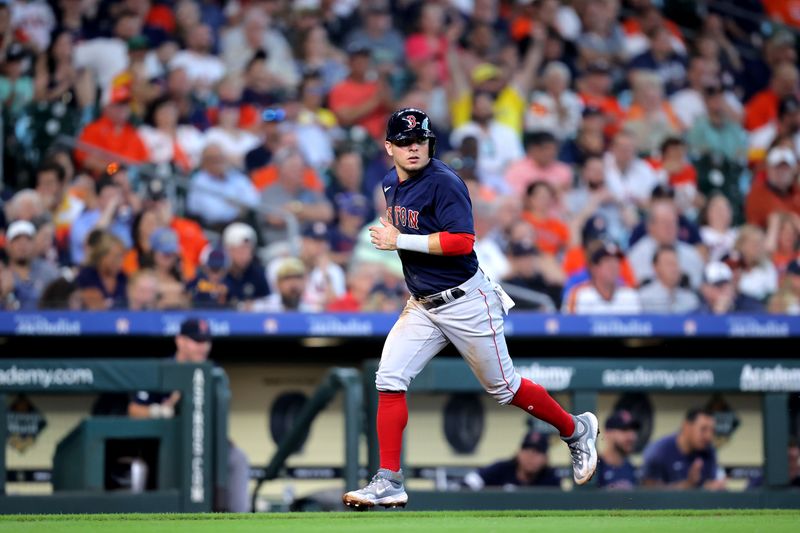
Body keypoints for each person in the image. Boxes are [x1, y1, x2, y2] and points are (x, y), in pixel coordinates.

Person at [342, 109, 598, 510]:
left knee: (505, 388)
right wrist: (401, 245)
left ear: (430, 143)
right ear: (389, 147)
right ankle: (389, 479)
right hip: (423, 305)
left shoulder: (444, 182)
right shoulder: (390, 184)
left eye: (420, 141)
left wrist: (401, 242)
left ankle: (575, 428)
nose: (413, 148)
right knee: (389, 377)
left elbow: (462, 241)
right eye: (405, 142)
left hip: (465, 300)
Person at [128, 318, 251, 512]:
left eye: (206, 341)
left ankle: (239, 523)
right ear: (180, 341)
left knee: (237, 458)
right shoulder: (162, 369)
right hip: (167, 446)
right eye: (197, 341)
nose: (203, 347)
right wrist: (161, 410)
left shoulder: (214, 372)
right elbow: (134, 410)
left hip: (204, 447)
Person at [641, 407, 726, 490]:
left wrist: (714, 487)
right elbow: (649, 492)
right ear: (686, 426)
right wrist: (688, 485)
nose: (709, 436)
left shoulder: (709, 451)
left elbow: (712, 483)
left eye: (712, 431)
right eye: (703, 429)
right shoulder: (658, 450)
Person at [463, 430, 561, 490]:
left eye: (537, 452)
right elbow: (471, 481)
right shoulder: (502, 468)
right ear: (518, 453)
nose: (530, 457)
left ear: (545, 458)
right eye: (526, 450)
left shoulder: (551, 478)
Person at [563, 241, 641, 314]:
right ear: (594, 268)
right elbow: (565, 324)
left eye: (616, 261)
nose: (614, 266)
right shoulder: (579, 295)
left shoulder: (630, 295)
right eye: (607, 261)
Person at [4, 220, 59, 310]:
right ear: (8, 245)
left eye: (28, 239)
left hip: (43, 323)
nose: (22, 245)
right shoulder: (2, 274)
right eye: (16, 239)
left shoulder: (49, 273)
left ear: (34, 244)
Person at [638, 245, 701, 314]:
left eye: (675, 264)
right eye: (669, 264)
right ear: (656, 268)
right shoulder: (644, 298)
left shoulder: (691, 299)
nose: (674, 269)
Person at [597, 410, 640, 489]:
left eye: (633, 430)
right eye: (624, 429)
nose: (632, 436)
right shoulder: (595, 468)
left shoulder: (632, 469)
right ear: (608, 433)